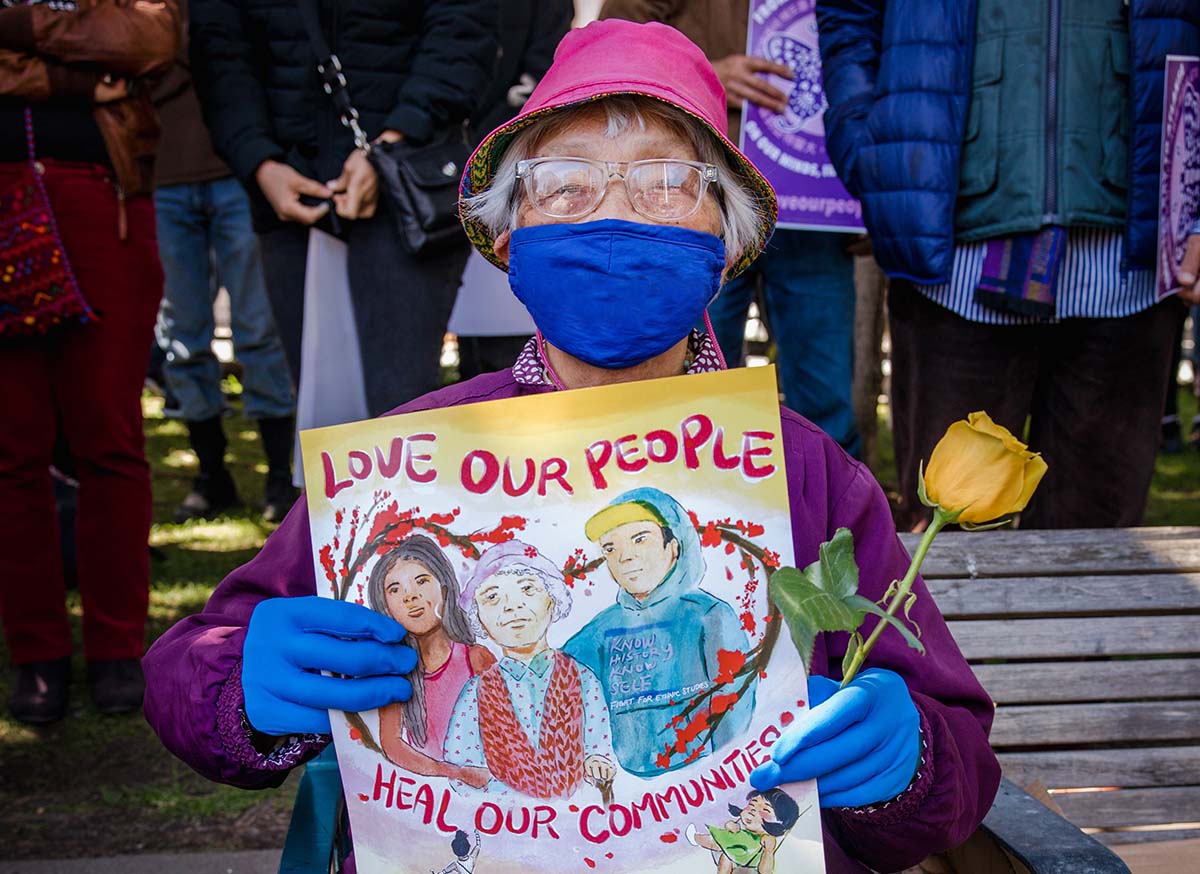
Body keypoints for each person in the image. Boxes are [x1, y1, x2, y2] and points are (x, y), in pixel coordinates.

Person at [144, 21, 1000, 873]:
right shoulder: (406, 468)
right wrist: (241, 693)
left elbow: (956, 770)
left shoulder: (808, 471)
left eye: (667, 180)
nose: (617, 212)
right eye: (563, 184)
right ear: (509, 238)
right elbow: (188, 672)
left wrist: (906, 760)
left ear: (729, 241)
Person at [816, 0, 1200, 530]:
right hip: (952, 264)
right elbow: (849, 15)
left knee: (1094, 549)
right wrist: (873, 146)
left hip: (1129, 267)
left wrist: (1195, 204)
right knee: (942, 547)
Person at [0, 0, 179, 724]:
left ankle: (116, 649)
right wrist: (82, 79)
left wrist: (15, 30)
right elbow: (108, 53)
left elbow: (149, 38)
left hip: (104, 209)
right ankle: (35, 653)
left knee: (111, 439)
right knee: (11, 451)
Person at [187, 0, 497, 417]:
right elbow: (219, 53)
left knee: (400, 407)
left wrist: (394, 141)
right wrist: (259, 162)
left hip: (403, 187)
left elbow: (462, 31)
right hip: (286, 183)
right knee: (321, 412)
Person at [600, 0, 861, 457]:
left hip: (816, 208)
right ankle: (684, 510)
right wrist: (704, 74)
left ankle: (828, 514)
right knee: (685, 384)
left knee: (827, 399)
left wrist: (865, 195)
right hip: (697, 200)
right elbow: (611, 41)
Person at [150, 14, 298, 523]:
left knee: (259, 330)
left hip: (240, 171)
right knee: (181, 334)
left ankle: (280, 476)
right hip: (159, 174)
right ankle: (212, 476)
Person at [562, 487, 754, 776]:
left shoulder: (710, 616)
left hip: (700, 780)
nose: (625, 557)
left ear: (674, 546)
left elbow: (733, 713)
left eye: (640, 539)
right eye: (610, 548)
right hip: (622, 791)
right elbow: (560, 694)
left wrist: (727, 783)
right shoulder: (598, 631)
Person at [449, 0, 573, 382]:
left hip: (508, 170)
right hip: (442, 171)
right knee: (472, 354)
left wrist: (492, 142)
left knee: (514, 338)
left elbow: (545, 66)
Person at [443, 541, 615, 799]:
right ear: (478, 618)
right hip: (504, 820)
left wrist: (596, 762)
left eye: (528, 589)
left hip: (575, 814)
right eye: (492, 597)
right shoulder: (475, 693)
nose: (512, 607)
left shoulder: (583, 678)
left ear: (553, 600)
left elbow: (598, 745)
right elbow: (462, 768)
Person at [365, 535, 495, 786]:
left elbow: (506, 729)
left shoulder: (476, 658)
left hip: (488, 796)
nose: (410, 597)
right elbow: (392, 744)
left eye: (421, 581)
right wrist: (453, 773)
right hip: (426, 799)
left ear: (444, 589)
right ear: (385, 606)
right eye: (395, 589)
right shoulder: (394, 673)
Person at [686, 788, 802, 874]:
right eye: (752, 805)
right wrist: (730, 826)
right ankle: (696, 838)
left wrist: (768, 852)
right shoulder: (743, 828)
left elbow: (765, 871)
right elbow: (728, 827)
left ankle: (697, 838)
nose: (752, 811)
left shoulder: (767, 839)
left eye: (765, 810)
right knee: (724, 853)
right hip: (730, 854)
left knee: (720, 846)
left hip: (748, 862)